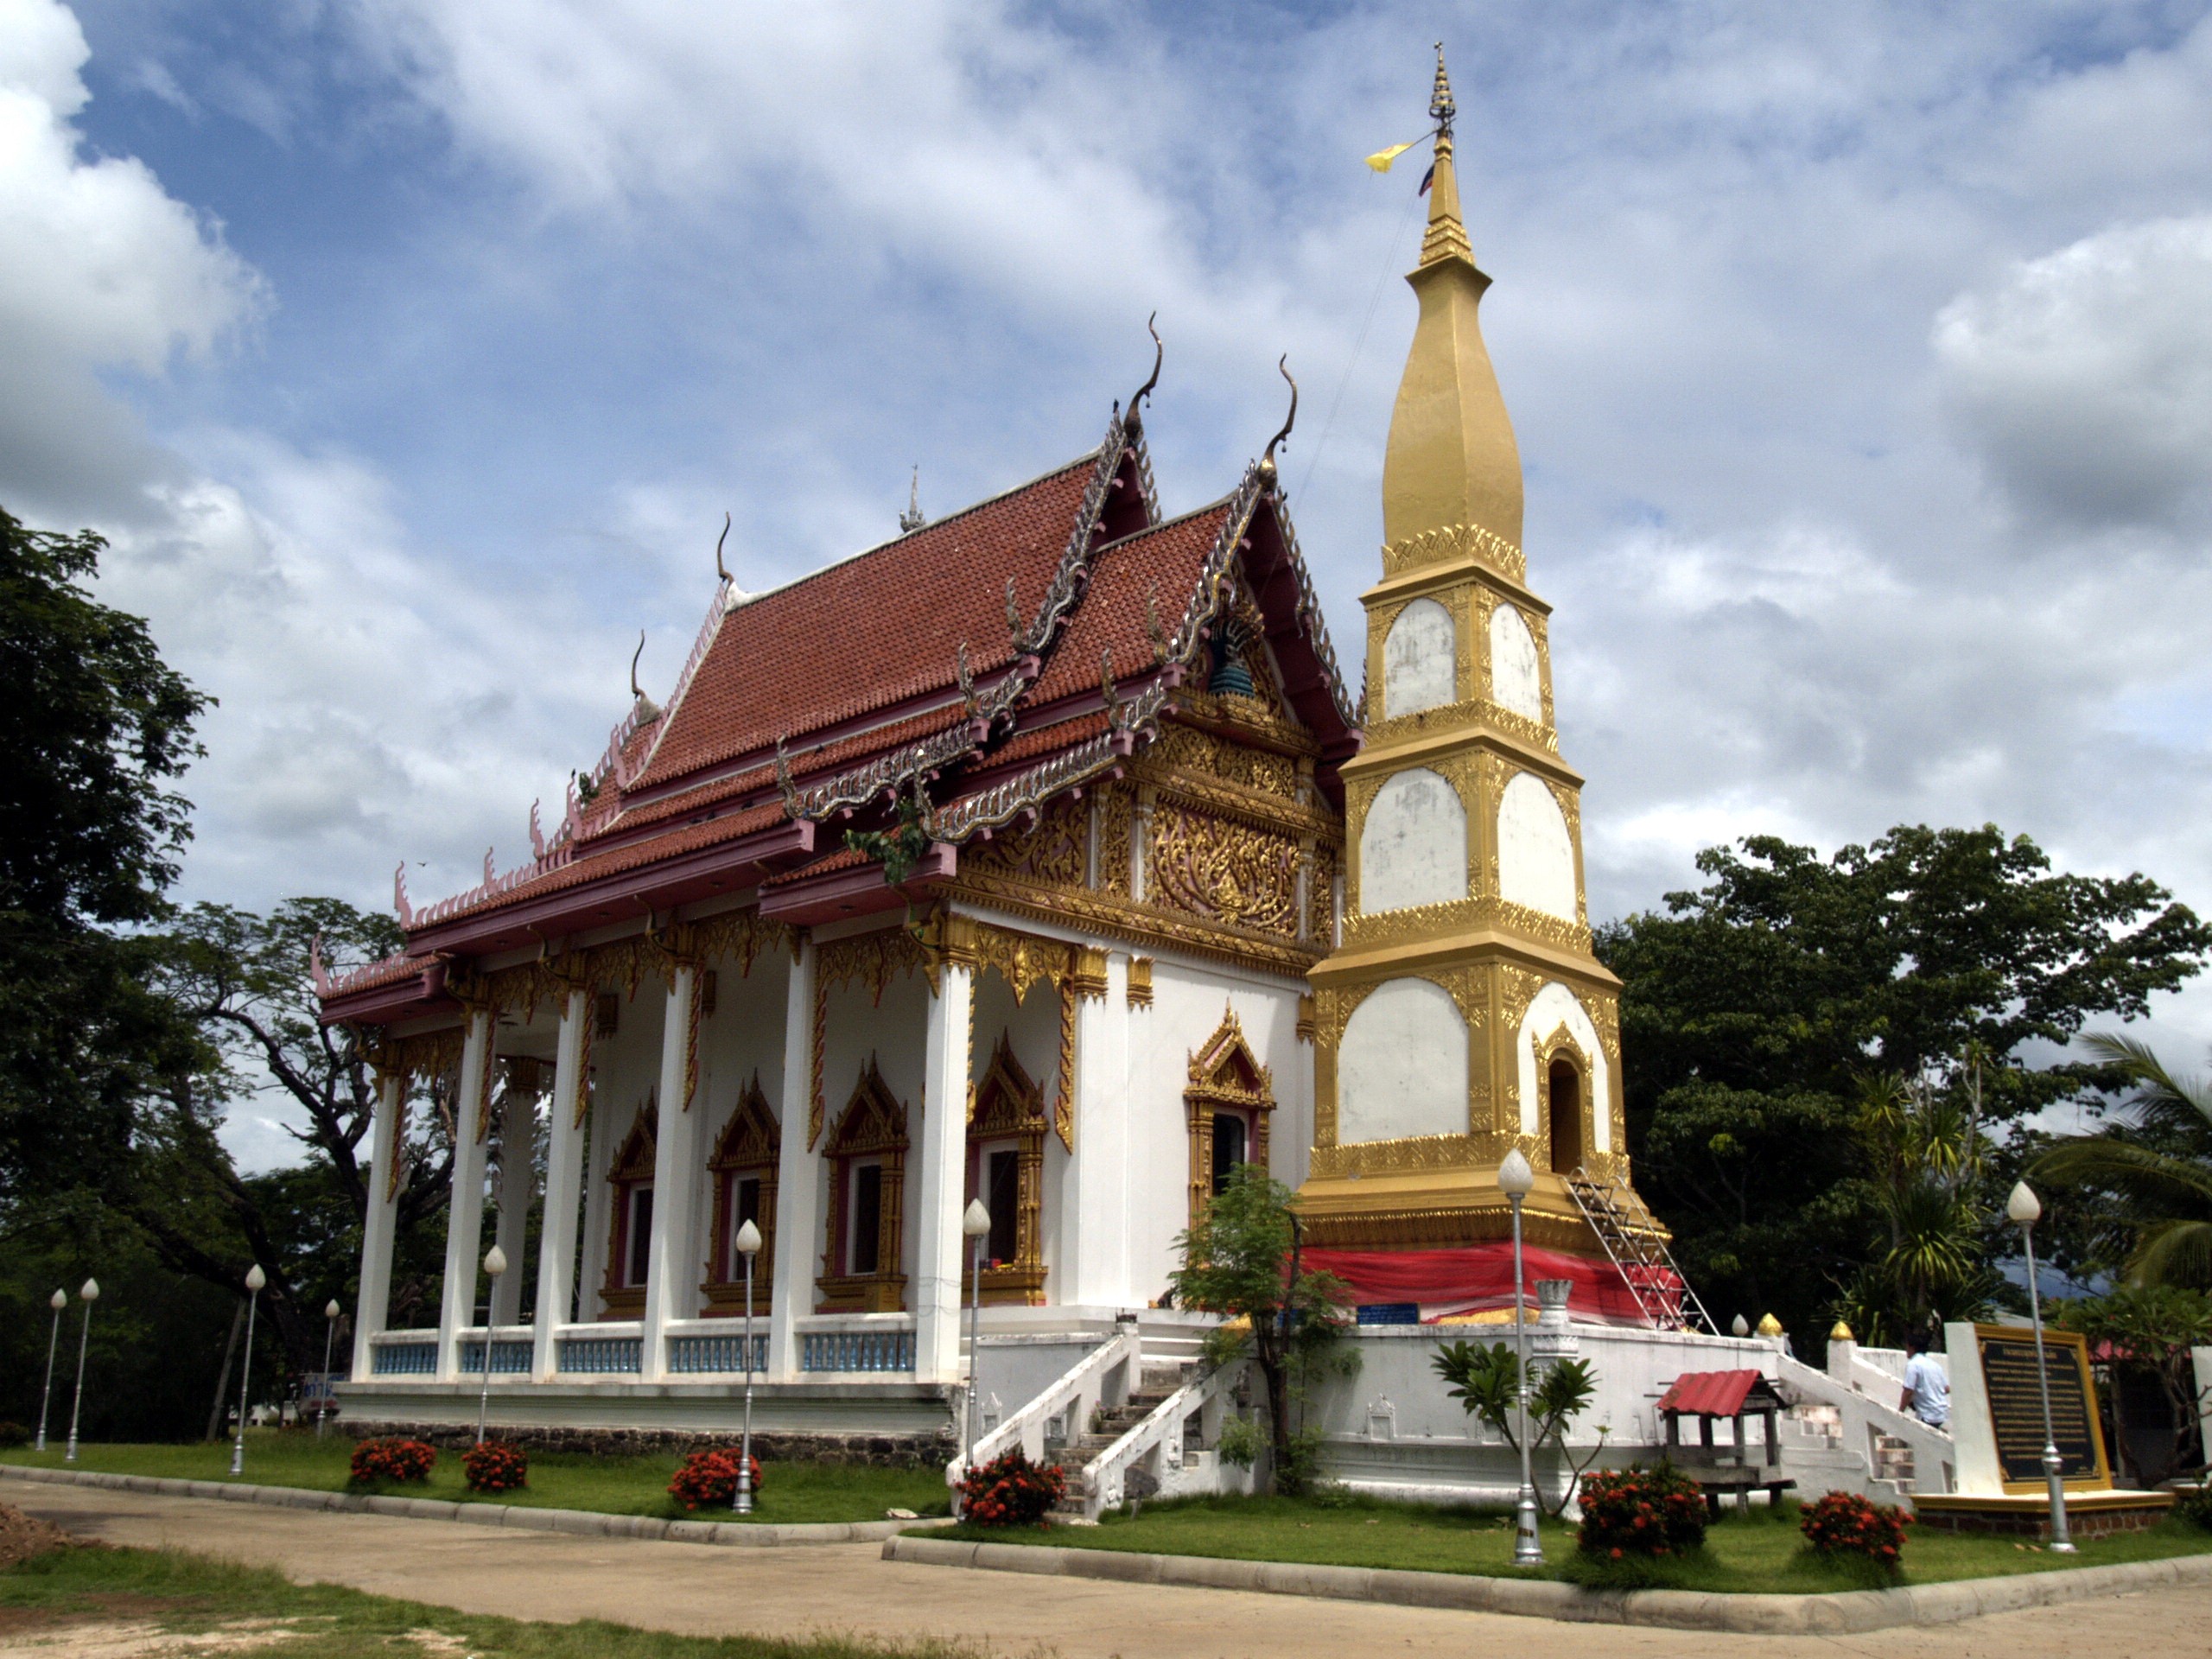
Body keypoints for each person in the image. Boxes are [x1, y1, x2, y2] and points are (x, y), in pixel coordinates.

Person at [1899, 1329, 1950, 1427]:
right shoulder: (1935, 1365)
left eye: (1907, 1346)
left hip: (1927, 1415)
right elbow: (1946, 1389)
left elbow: (1908, 1391)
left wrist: (1900, 1411)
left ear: (1912, 1348)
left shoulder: (1913, 1365)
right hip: (1941, 1414)